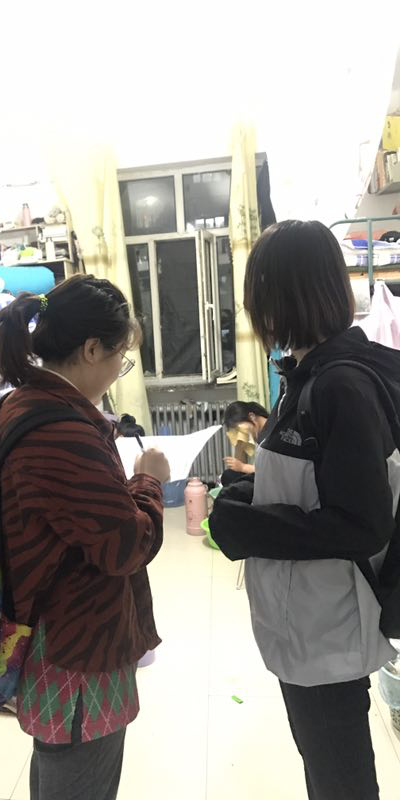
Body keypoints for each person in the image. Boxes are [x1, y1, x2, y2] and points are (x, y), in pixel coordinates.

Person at [210, 219, 400, 800]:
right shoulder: (311, 373)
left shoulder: (340, 384)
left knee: (340, 778)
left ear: (282, 297)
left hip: (327, 627)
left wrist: (248, 526)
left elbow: (362, 523)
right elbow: (317, 483)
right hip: (312, 621)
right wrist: (252, 491)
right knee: (327, 766)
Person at [0, 274, 170, 800]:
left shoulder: (25, 403)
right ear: (92, 349)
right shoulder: (61, 431)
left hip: (54, 627)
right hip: (78, 645)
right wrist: (148, 481)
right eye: (121, 357)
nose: (119, 369)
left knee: (59, 768)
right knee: (79, 774)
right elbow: (125, 546)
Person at [221, 400, 269, 484]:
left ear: (252, 416)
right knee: (229, 475)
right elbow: (238, 471)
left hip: (272, 477)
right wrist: (239, 445)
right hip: (260, 475)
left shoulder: (272, 431)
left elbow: (273, 470)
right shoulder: (255, 432)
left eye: (238, 429)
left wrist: (243, 467)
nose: (238, 433)